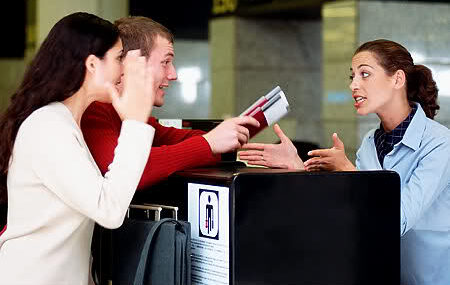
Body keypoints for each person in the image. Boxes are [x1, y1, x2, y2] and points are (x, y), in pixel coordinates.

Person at [239, 39, 450, 285]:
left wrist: (348, 171)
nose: (354, 85)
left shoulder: (440, 143)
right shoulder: (371, 142)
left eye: (365, 74)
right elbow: (349, 215)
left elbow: (396, 221)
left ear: (397, 79)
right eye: (352, 76)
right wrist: (297, 168)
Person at [0, 12, 157, 284]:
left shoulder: (62, 122)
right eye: (119, 58)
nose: (124, 70)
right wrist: (134, 122)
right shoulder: (47, 126)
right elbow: (108, 209)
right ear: (93, 64)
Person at [81, 16, 259, 189]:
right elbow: (130, 172)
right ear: (132, 62)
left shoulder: (124, 114)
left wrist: (232, 140)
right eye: (165, 62)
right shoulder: (93, 110)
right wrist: (208, 143)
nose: (173, 74)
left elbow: (176, 140)